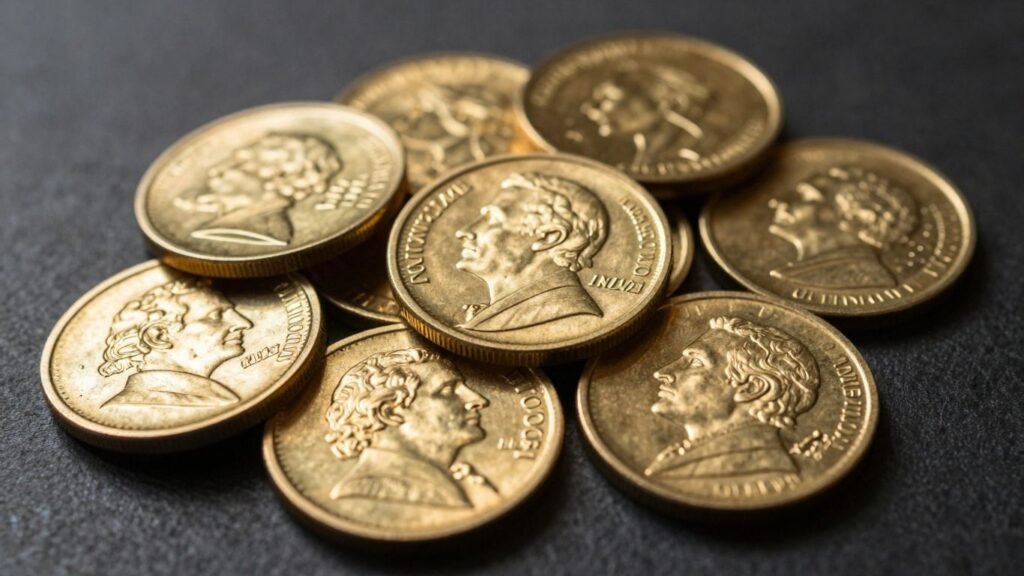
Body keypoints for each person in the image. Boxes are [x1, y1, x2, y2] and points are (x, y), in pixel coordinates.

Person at [324, 348, 496, 524]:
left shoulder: (456, 481)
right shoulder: (370, 487)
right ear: (389, 412)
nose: (478, 400)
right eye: (447, 391)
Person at [646, 316, 820, 481]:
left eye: (696, 362)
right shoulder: (693, 458)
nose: (662, 373)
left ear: (753, 388)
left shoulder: (751, 464)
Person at [454, 171, 609, 332]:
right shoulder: (496, 316)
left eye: (493, 217)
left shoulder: (569, 314)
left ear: (549, 237)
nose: (464, 231)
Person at [98, 278, 252, 407]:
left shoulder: (213, 397)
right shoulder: (138, 404)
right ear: (159, 337)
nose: (244, 323)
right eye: (216, 315)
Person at [174, 132, 344, 247]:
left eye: (238, 164)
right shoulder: (229, 224)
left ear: (279, 176)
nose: (216, 170)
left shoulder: (261, 232)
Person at [768, 166, 918, 288]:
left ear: (852, 216)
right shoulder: (802, 271)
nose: (776, 202)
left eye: (805, 196)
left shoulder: (857, 275)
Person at [578, 62, 711, 167]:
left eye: (606, 99)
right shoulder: (644, 153)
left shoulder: (696, 146)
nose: (590, 111)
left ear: (661, 100)